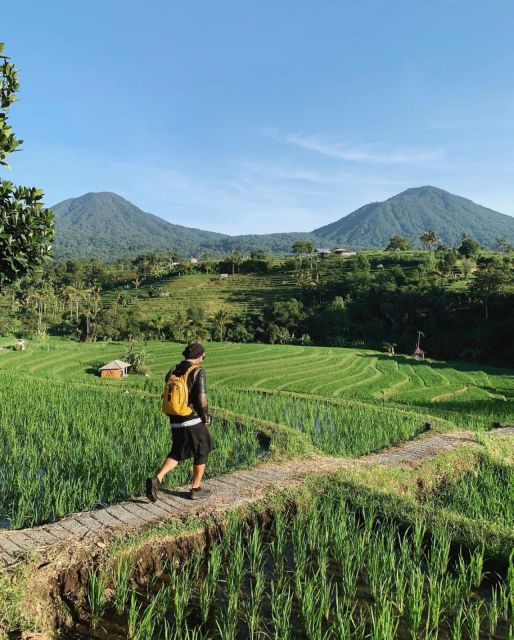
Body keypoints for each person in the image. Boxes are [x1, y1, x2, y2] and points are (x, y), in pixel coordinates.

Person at [146, 342, 213, 502]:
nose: (203, 358)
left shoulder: (174, 369)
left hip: (175, 419)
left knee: (177, 451)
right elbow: (201, 398)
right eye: (203, 355)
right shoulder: (198, 371)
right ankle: (196, 489)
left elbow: (166, 382)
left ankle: (157, 479)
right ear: (198, 356)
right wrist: (206, 416)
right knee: (203, 449)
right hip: (191, 418)